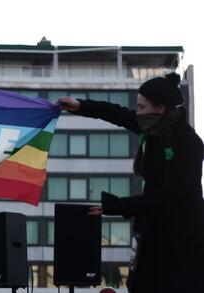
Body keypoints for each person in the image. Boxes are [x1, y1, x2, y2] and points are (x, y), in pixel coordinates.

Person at [58, 72, 204, 293]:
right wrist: (80, 106)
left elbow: (169, 195)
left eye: (142, 107)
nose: (138, 112)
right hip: (153, 230)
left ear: (161, 109)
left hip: (183, 238)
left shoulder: (189, 144)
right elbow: (116, 113)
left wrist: (118, 206)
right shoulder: (153, 128)